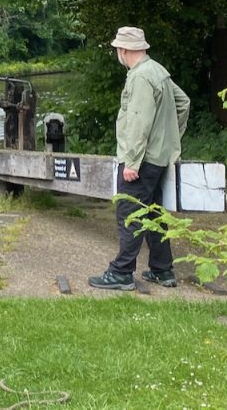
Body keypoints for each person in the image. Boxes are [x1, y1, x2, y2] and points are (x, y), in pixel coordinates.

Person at [88, 26, 190, 291]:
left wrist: (132, 162)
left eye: (117, 50)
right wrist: (168, 139)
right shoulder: (158, 71)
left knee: (129, 213)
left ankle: (121, 272)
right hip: (157, 158)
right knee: (153, 213)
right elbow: (184, 103)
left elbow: (138, 122)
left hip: (141, 160)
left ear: (124, 50)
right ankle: (162, 270)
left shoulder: (140, 77)